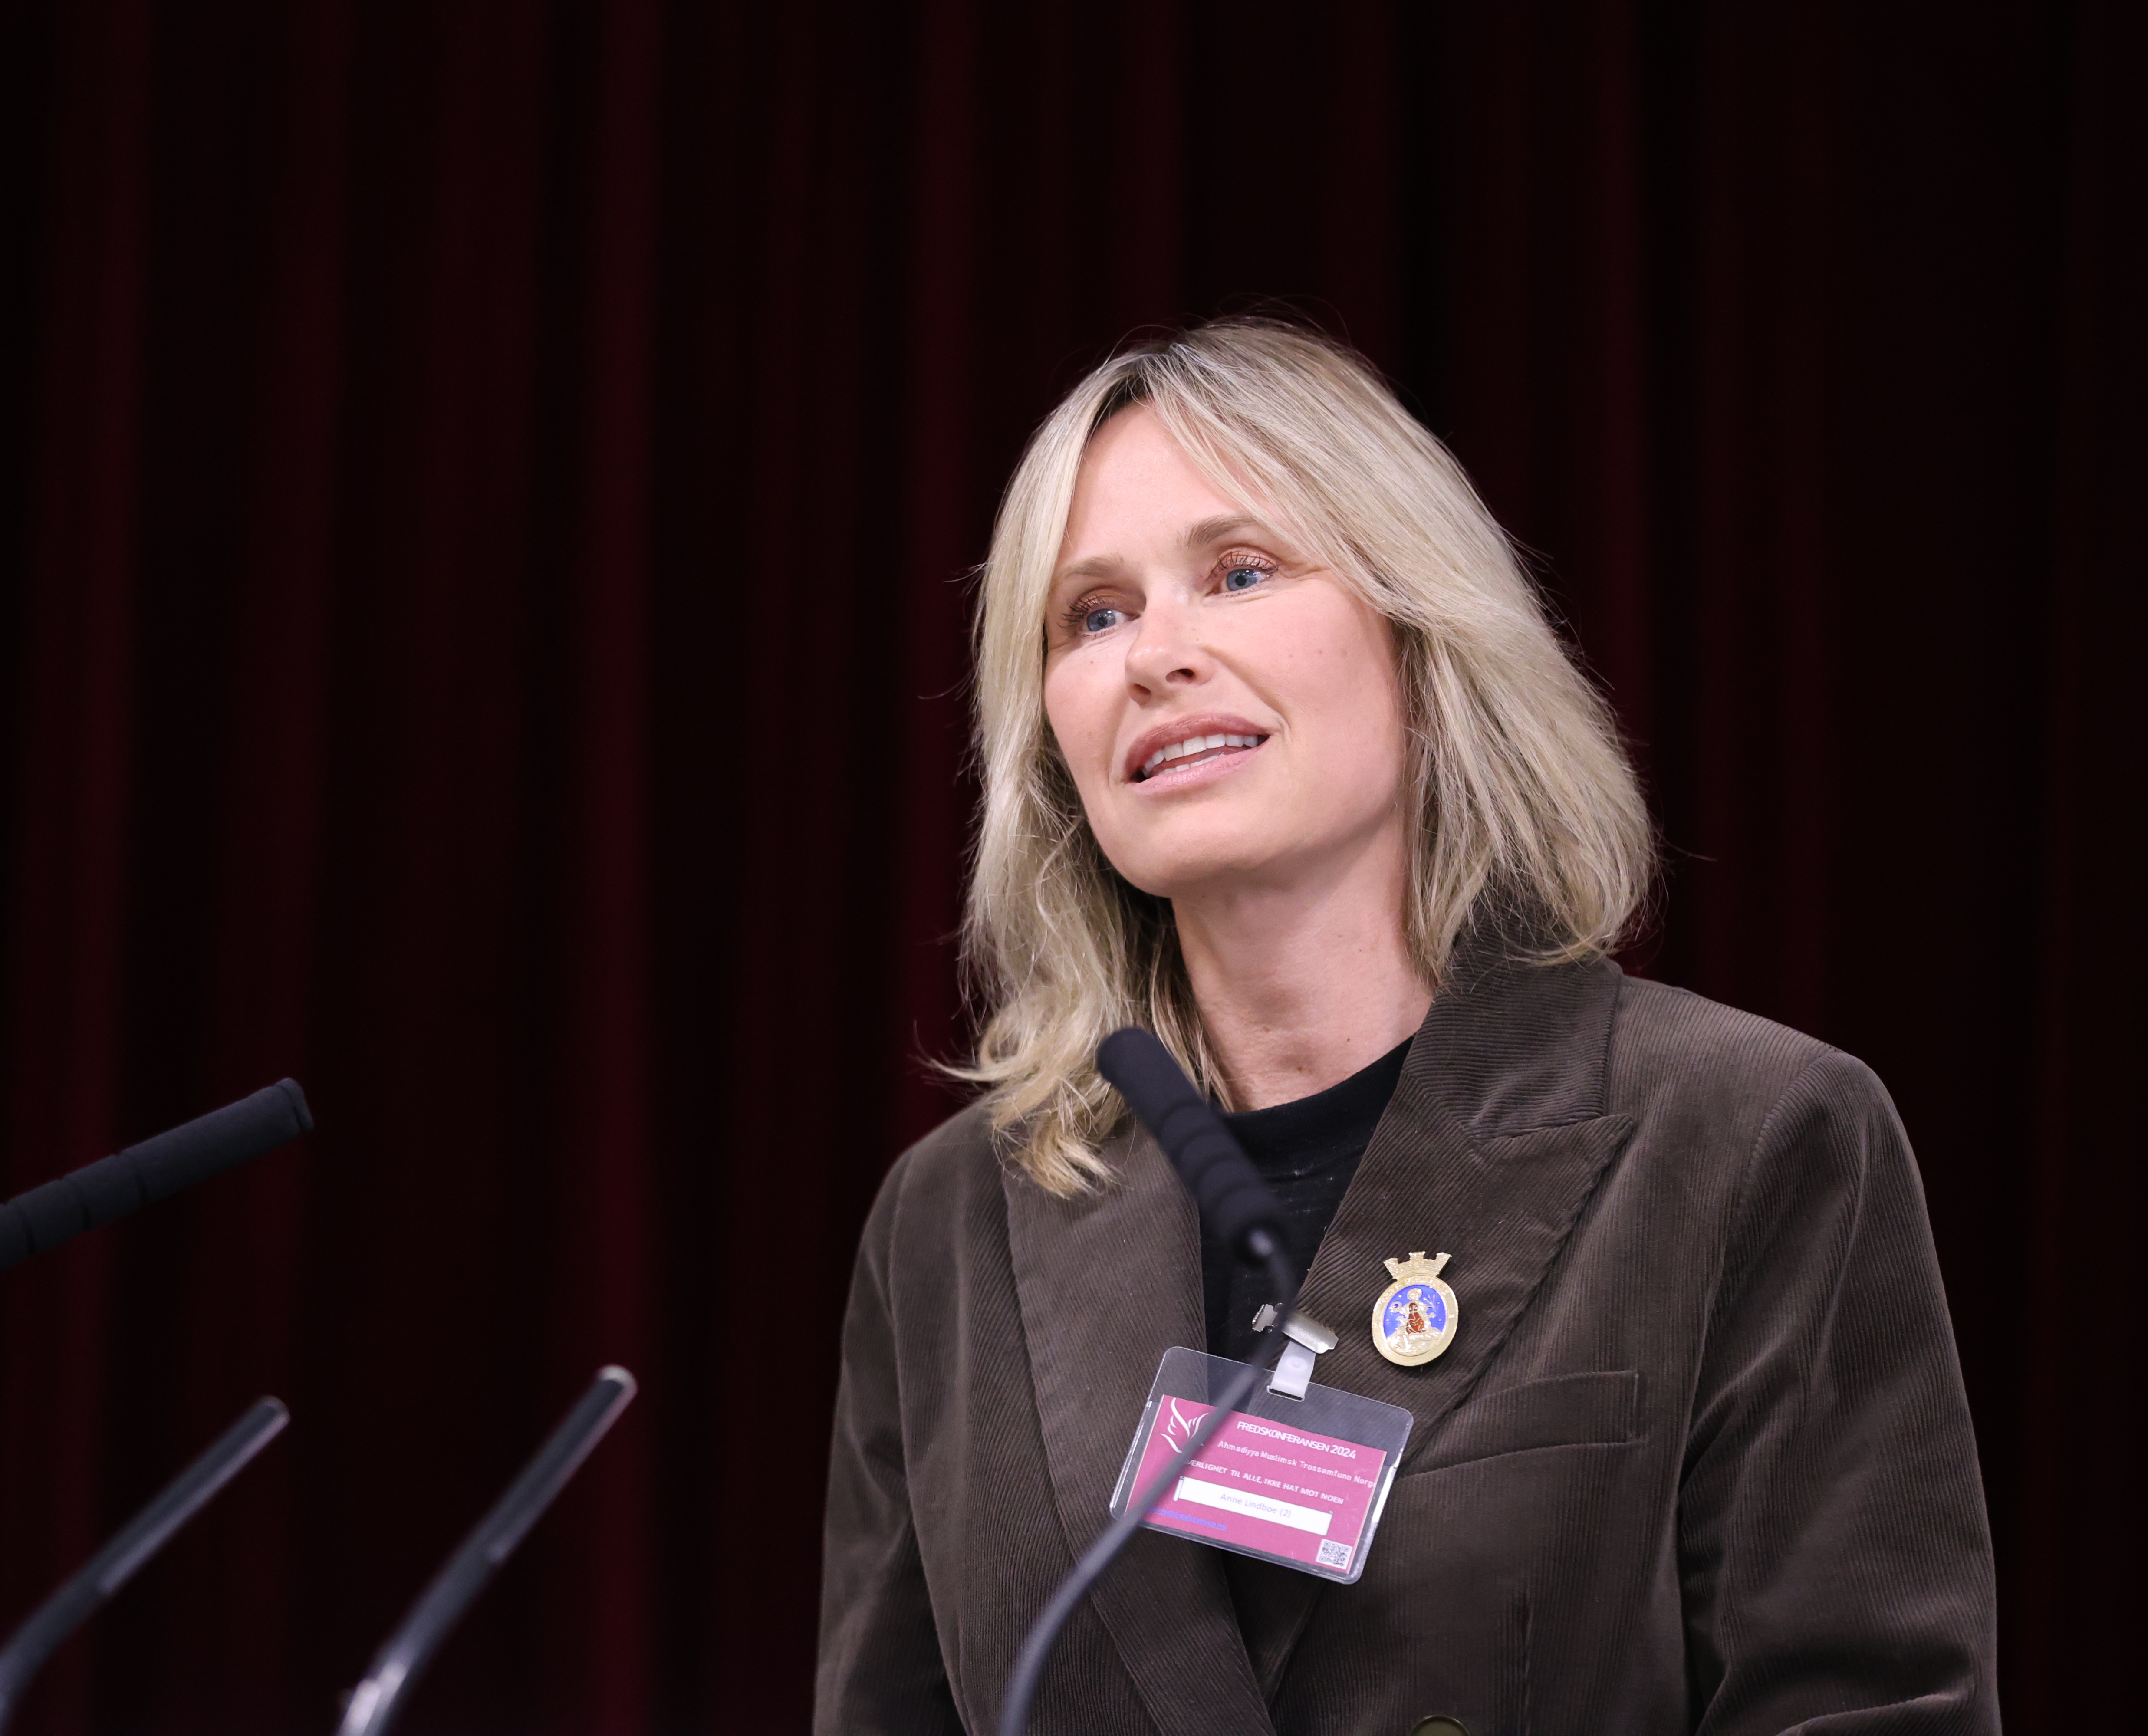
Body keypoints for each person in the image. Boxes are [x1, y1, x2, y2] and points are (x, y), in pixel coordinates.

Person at [814, 319, 1997, 1733]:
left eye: (1240, 573)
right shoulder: (953, 1219)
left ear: (1418, 634)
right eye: (1094, 615)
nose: (1155, 657)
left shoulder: (1750, 1137)